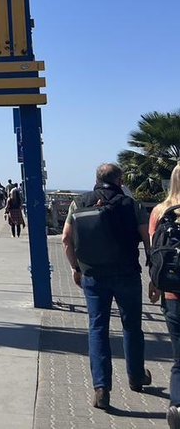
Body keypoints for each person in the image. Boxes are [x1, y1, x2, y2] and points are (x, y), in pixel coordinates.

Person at [62, 163, 152, 411]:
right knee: (132, 325)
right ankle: (136, 377)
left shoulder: (80, 203)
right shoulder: (131, 205)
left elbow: (66, 239)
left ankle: (101, 388)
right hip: (127, 273)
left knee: (98, 328)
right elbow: (147, 239)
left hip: (93, 275)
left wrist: (75, 268)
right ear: (120, 180)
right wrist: (153, 271)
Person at [149, 162, 180, 427]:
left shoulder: (160, 211)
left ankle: (177, 405)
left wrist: (155, 284)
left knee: (179, 358)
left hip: (172, 294)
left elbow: (154, 253)